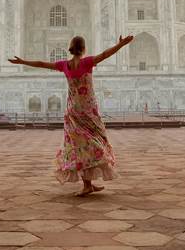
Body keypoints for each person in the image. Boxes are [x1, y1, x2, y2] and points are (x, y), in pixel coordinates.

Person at [9, 34, 134, 196]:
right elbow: (105, 54)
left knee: (78, 146)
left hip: (73, 111)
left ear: (71, 48)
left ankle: (88, 183)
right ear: (83, 48)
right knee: (95, 142)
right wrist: (122, 44)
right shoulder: (87, 62)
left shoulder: (65, 65)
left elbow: (41, 64)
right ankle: (87, 184)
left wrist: (22, 62)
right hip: (88, 110)